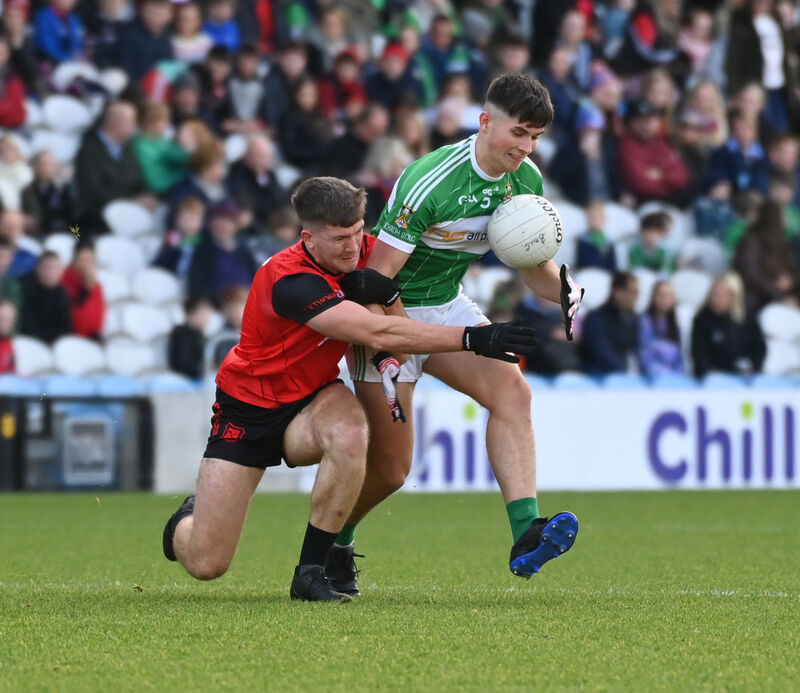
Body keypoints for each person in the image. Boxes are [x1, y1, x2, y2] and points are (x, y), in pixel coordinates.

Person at [161, 176, 538, 602]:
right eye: (341, 238)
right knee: (207, 562)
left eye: (359, 231)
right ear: (309, 238)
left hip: (313, 397)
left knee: (352, 431)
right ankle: (185, 522)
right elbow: (376, 331)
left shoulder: (366, 253)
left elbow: (397, 325)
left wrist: (390, 301)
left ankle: (312, 571)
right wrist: (473, 338)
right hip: (248, 409)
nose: (354, 246)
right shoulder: (291, 283)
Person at [332, 73, 584, 597]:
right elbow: (376, 281)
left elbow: (532, 267)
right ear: (485, 121)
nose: (526, 147)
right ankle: (335, 543)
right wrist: (395, 342)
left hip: (445, 304)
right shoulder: (430, 180)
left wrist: (563, 289)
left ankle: (525, 533)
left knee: (513, 392)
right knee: (390, 470)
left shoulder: (526, 181)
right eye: (519, 132)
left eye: (535, 136)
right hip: (386, 313)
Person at [691, 272, 766, 377]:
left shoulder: (748, 318)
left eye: (720, 295)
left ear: (734, 296)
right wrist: (709, 372)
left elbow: (760, 347)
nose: (715, 299)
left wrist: (754, 367)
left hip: (744, 377)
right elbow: (699, 354)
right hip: (713, 380)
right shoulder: (702, 320)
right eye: (713, 294)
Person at [580, 271, 640, 375]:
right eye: (633, 292)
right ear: (618, 293)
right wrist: (624, 372)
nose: (637, 298)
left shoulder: (633, 319)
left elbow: (635, 350)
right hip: (597, 379)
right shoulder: (597, 318)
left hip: (622, 377)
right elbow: (601, 353)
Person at [19, 250, 72, 344]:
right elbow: (25, 325)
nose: (50, 272)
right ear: (37, 268)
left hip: (53, 345)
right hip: (27, 342)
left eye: (54, 268)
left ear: (61, 272)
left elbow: (66, 329)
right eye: (47, 267)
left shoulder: (62, 294)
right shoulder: (24, 287)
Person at [638, 280, 685, 378]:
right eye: (662, 295)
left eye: (669, 296)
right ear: (653, 297)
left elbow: (679, 358)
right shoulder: (644, 322)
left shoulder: (675, 325)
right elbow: (644, 356)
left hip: (674, 377)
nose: (665, 299)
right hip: (652, 377)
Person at [61, 239, 105, 340]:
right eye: (82, 260)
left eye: (90, 260)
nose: (86, 265)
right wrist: (86, 290)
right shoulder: (64, 279)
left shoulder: (96, 286)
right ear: (74, 260)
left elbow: (99, 318)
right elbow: (71, 319)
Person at [168, 295, 213, 379]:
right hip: (185, 378)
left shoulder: (201, 336)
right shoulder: (182, 335)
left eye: (208, 313)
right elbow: (184, 364)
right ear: (190, 314)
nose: (206, 318)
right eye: (202, 313)